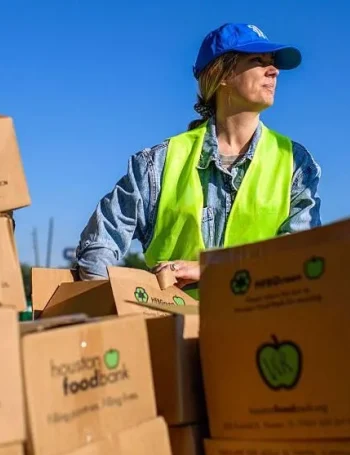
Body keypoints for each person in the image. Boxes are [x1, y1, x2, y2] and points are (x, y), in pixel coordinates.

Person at [74, 23, 322, 297]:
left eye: (273, 63)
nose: (273, 71)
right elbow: (99, 243)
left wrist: (211, 268)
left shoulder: (295, 163)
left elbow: (301, 258)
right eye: (258, 60)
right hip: (174, 333)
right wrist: (114, 307)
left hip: (261, 331)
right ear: (223, 74)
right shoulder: (158, 164)